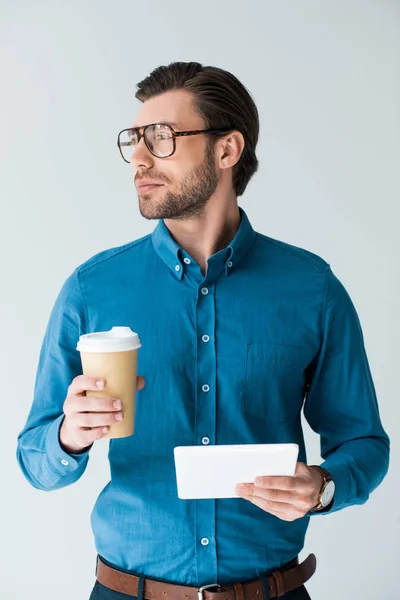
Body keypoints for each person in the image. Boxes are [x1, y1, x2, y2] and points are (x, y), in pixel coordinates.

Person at [16, 62, 390, 600]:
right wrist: (69, 436)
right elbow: (36, 460)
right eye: (134, 141)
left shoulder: (312, 289)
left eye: (162, 138)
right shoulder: (92, 289)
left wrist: (323, 487)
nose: (139, 159)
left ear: (227, 149)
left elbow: (363, 442)